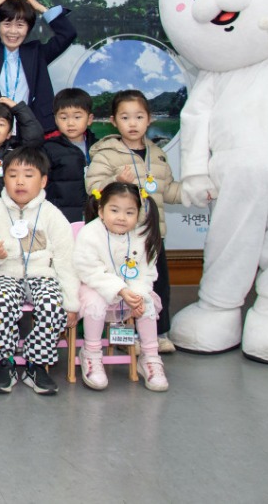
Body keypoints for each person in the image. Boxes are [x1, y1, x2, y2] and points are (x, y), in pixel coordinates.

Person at [85, 90, 181, 353]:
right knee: (124, 286)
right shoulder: (106, 153)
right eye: (125, 117)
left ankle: (158, 333)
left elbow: (168, 190)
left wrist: (196, 191)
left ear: (149, 119)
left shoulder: (157, 154)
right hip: (120, 236)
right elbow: (93, 188)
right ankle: (126, 337)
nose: (133, 123)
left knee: (157, 284)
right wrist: (116, 181)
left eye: (139, 117)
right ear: (114, 121)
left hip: (152, 234)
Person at [0, 145, 79, 396]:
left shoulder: (52, 215)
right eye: (13, 175)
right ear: (4, 178)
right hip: (5, 273)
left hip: (42, 274)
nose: (20, 182)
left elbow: (65, 261)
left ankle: (36, 364)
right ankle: (6, 362)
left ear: (43, 180)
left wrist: (71, 302)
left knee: (52, 304)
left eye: (28, 175)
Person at [74, 182, 168, 391]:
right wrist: (120, 290)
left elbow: (146, 272)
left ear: (138, 214)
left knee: (146, 303)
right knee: (95, 302)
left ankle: (150, 357)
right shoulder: (90, 233)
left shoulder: (142, 236)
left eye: (129, 212)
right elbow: (88, 270)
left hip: (131, 289)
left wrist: (137, 294)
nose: (121, 218)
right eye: (114, 210)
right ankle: (91, 353)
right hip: (95, 287)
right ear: (101, 210)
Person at [0, 0, 77, 134]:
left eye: (20, 25)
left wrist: (39, 7)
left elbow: (68, 34)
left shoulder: (37, 53)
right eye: (7, 24)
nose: (13, 31)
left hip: (31, 132)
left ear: (28, 28)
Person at [42, 87, 97, 223]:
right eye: (64, 117)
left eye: (77, 117)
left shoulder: (99, 146)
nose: (70, 123)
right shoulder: (48, 148)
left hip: (95, 216)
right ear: (55, 119)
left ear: (89, 119)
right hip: (60, 217)